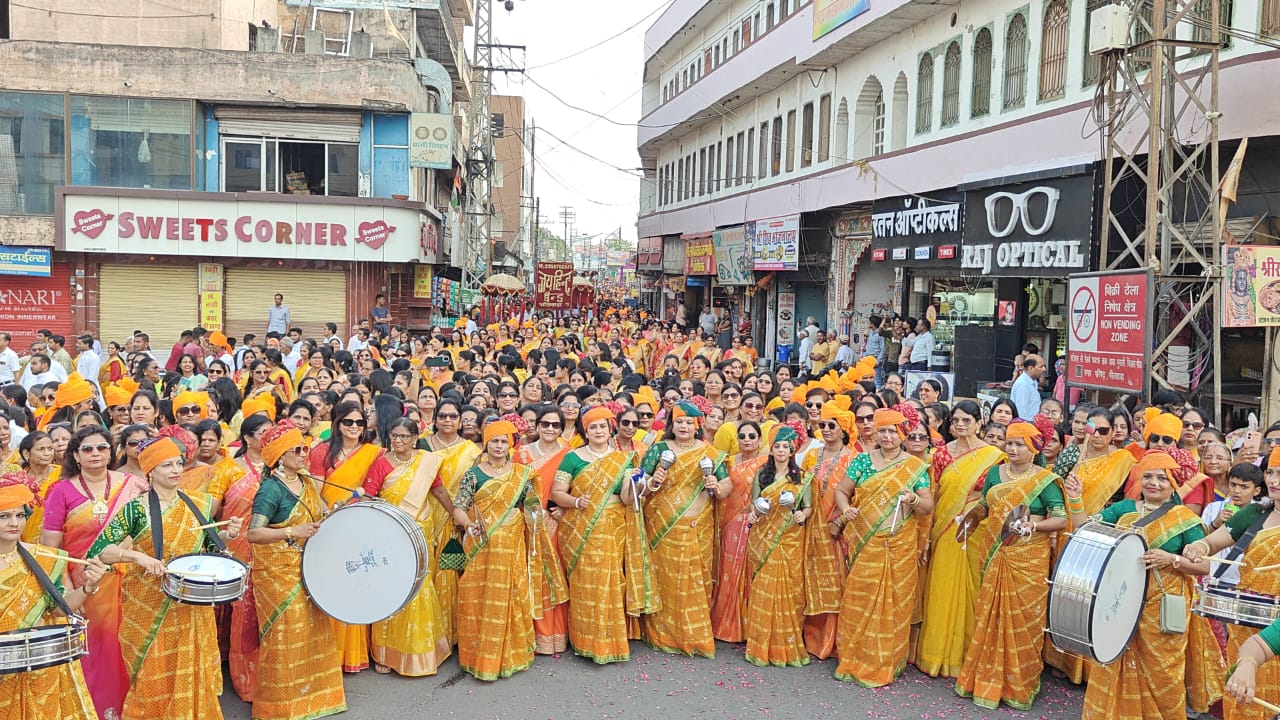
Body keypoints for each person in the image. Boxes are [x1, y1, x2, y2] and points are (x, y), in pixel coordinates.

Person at [89, 435, 243, 719]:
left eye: (178, 463)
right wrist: (138, 557)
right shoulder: (136, 508)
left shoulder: (196, 504)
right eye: (166, 465)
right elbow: (102, 550)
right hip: (148, 604)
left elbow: (208, 548)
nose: (175, 470)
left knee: (192, 670)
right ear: (150, 471)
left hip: (191, 606)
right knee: (152, 673)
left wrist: (226, 535)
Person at [1069, 451, 1211, 719]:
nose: (1154, 483)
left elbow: (1203, 566)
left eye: (1162, 478)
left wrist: (1171, 559)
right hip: (1118, 602)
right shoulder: (1123, 509)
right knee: (1113, 660)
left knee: (1163, 673)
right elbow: (1085, 531)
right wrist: (1076, 499)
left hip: (1161, 611)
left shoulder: (1184, 519)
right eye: (1147, 476)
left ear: (1173, 483)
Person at [954, 420, 1066, 710]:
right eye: (1009, 442)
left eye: (1019, 444)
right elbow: (987, 507)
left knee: (1023, 620)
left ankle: (1018, 685)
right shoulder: (995, 472)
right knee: (989, 615)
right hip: (993, 553)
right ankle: (984, 679)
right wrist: (971, 516)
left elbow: (1060, 519)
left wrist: (1033, 525)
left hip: (1027, 558)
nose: (1012, 448)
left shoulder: (1045, 480)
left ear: (1033, 449)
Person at [41, 427, 150, 719]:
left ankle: (131, 709)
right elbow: (51, 550)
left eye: (102, 448)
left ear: (110, 452)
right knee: (92, 649)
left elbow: (143, 535)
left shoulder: (133, 486)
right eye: (87, 449)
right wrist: (65, 588)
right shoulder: (60, 491)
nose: (95, 454)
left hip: (128, 583)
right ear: (75, 455)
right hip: (82, 584)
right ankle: (91, 709)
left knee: (126, 645)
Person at [246, 420, 348, 720]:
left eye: (305, 447)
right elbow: (254, 534)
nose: (305, 454)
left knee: (312, 631)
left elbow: (316, 519)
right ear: (280, 456)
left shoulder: (304, 482)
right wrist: (292, 532)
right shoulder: (270, 490)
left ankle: (315, 699)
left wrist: (334, 511)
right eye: (297, 450)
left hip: (310, 569)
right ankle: (279, 707)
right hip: (278, 574)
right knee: (287, 636)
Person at [454, 420, 567, 680]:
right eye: (494, 441)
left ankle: (511, 654)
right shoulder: (474, 474)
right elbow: (459, 507)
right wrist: (469, 524)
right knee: (478, 596)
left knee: (513, 595)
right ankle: (481, 656)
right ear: (486, 443)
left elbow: (530, 507)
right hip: (483, 544)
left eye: (504, 441)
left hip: (513, 543)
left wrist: (540, 518)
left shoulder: (522, 474)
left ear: (511, 444)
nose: (498, 446)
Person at [833, 408, 933, 686]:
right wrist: (845, 510)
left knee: (892, 603)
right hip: (864, 544)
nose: (887, 436)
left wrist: (913, 499)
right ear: (875, 433)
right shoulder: (862, 461)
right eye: (882, 431)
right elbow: (842, 491)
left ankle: (884, 661)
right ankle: (854, 658)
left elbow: (927, 507)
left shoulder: (915, 468)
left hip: (898, 546)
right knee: (858, 598)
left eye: (892, 431)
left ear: (901, 434)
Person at [1044, 407, 1137, 682]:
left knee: (1093, 592)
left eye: (1103, 430)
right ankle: (1062, 660)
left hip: (1101, 531)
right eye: (1090, 429)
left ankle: (1091, 664)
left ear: (1114, 434)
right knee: (1065, 590)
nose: (1096, 435)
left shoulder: (1123, 460)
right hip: (1066, 529)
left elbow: (1127, 499)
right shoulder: (1072, 454)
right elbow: (1053, 488)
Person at [0, 477, 106, 719]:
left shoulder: (43, 558)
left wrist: (89, 586)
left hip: (40, 665)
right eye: (4, 516)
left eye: (19, 515)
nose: (14, 523)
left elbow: (60, 609)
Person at [551, 406, 648, 663]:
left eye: (602, 426)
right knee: (586, 582)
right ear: (586, 430)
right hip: (581, 527)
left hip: (613, 528)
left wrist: (637, 485)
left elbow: (628, 499)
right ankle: (585, 640)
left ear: (610, 429)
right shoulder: (573, 458)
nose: (598, 431)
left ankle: (611, 639)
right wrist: (574, 502)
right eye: (592, 427)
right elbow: (557, 493)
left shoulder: (624, 459)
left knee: (611, 581)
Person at [916, 401, 1005, 678]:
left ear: (980, 423)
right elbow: (938, 493)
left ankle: (969, 653)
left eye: (967, 420)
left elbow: (995, 495)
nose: (960, 425)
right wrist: (929, 533)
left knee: (973, 588)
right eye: (955, 421)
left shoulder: (994, 456)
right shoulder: (941, 455)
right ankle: (938, 655)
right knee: (943, 586)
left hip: (978, 527)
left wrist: (973, 511)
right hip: (946, 528)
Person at [638, 400, 730, 657]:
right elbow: (639, 485)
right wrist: (653, 481)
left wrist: (715, 485)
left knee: (696, 580)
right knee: (666, 579)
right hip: (662, 527)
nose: (684, 426)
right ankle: (663, 634)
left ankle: (695, 634)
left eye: (689, 422)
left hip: (697, 526)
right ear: (671, 425)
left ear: (697, 425)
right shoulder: (658, 450)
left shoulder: (709, 453)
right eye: (679, 421)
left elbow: (726, 489)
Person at [363, 417, 452, 676]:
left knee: (419, 587)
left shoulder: (426, 461)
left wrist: (456, 512)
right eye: (394, 436)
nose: (398, 441)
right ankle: (385, 653)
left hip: (419, 531)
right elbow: (370, 496)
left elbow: (440, 491)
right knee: (390, 588)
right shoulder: (381, 463)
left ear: (415, 438)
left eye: (404, 436)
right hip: (391, 532)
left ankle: (423, 652)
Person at [307, 400, 390, 672]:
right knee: (334, 582)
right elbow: (316, 492)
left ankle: (356, 652)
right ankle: (330, 651)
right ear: (337, 424)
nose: (354, 427)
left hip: (362, 523)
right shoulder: (321, 452)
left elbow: (377, 488)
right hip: (330, 524)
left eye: (359, 422)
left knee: (360, 581)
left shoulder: (375, 453)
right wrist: (328, 514)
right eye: (348, 422)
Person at [743, 422, 814, 667]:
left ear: (792, 450)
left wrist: (802, 516)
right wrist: (754, 514)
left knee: (789, 592)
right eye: (777, 446)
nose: (782, 451)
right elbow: (755, 503)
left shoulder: (802, 477)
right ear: (771, 450)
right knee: (764, 588)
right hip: (764, 538)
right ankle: (760, 646)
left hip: (790, 538)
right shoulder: (762, 475)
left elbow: (808, 507)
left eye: (786, 446)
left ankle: (786, 646)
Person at [513, 405, 572, 655]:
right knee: (531, 575)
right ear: (536, 426)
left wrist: (564, 510)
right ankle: (533, 634)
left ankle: (557, 634)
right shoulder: (521, 454)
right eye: (545, 424)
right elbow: (512, 488)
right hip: (528, 523)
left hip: (556, 522)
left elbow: (577, 488)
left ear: (562, 428)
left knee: (554, 575)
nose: (550, 429)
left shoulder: (570, 454)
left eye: (555, 425)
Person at [800, 401, 857, 658]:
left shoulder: (854, 458)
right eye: (822, 425)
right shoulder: (812, 455)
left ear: (844, 429)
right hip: (810, 527)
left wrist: (840, 521)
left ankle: (831, 641)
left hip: (836, 531)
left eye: (831, 425)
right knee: (808, 581)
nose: (825, 429)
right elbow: (799, 487)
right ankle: (810, 637)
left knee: (834, 584)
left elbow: (856, 497)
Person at [1010, 355, 1044, 420]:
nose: (1044, 369)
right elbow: (1021, 412)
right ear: (1030, 368)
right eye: (1041, 367)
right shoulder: (1023, 384)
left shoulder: (1032, 382)